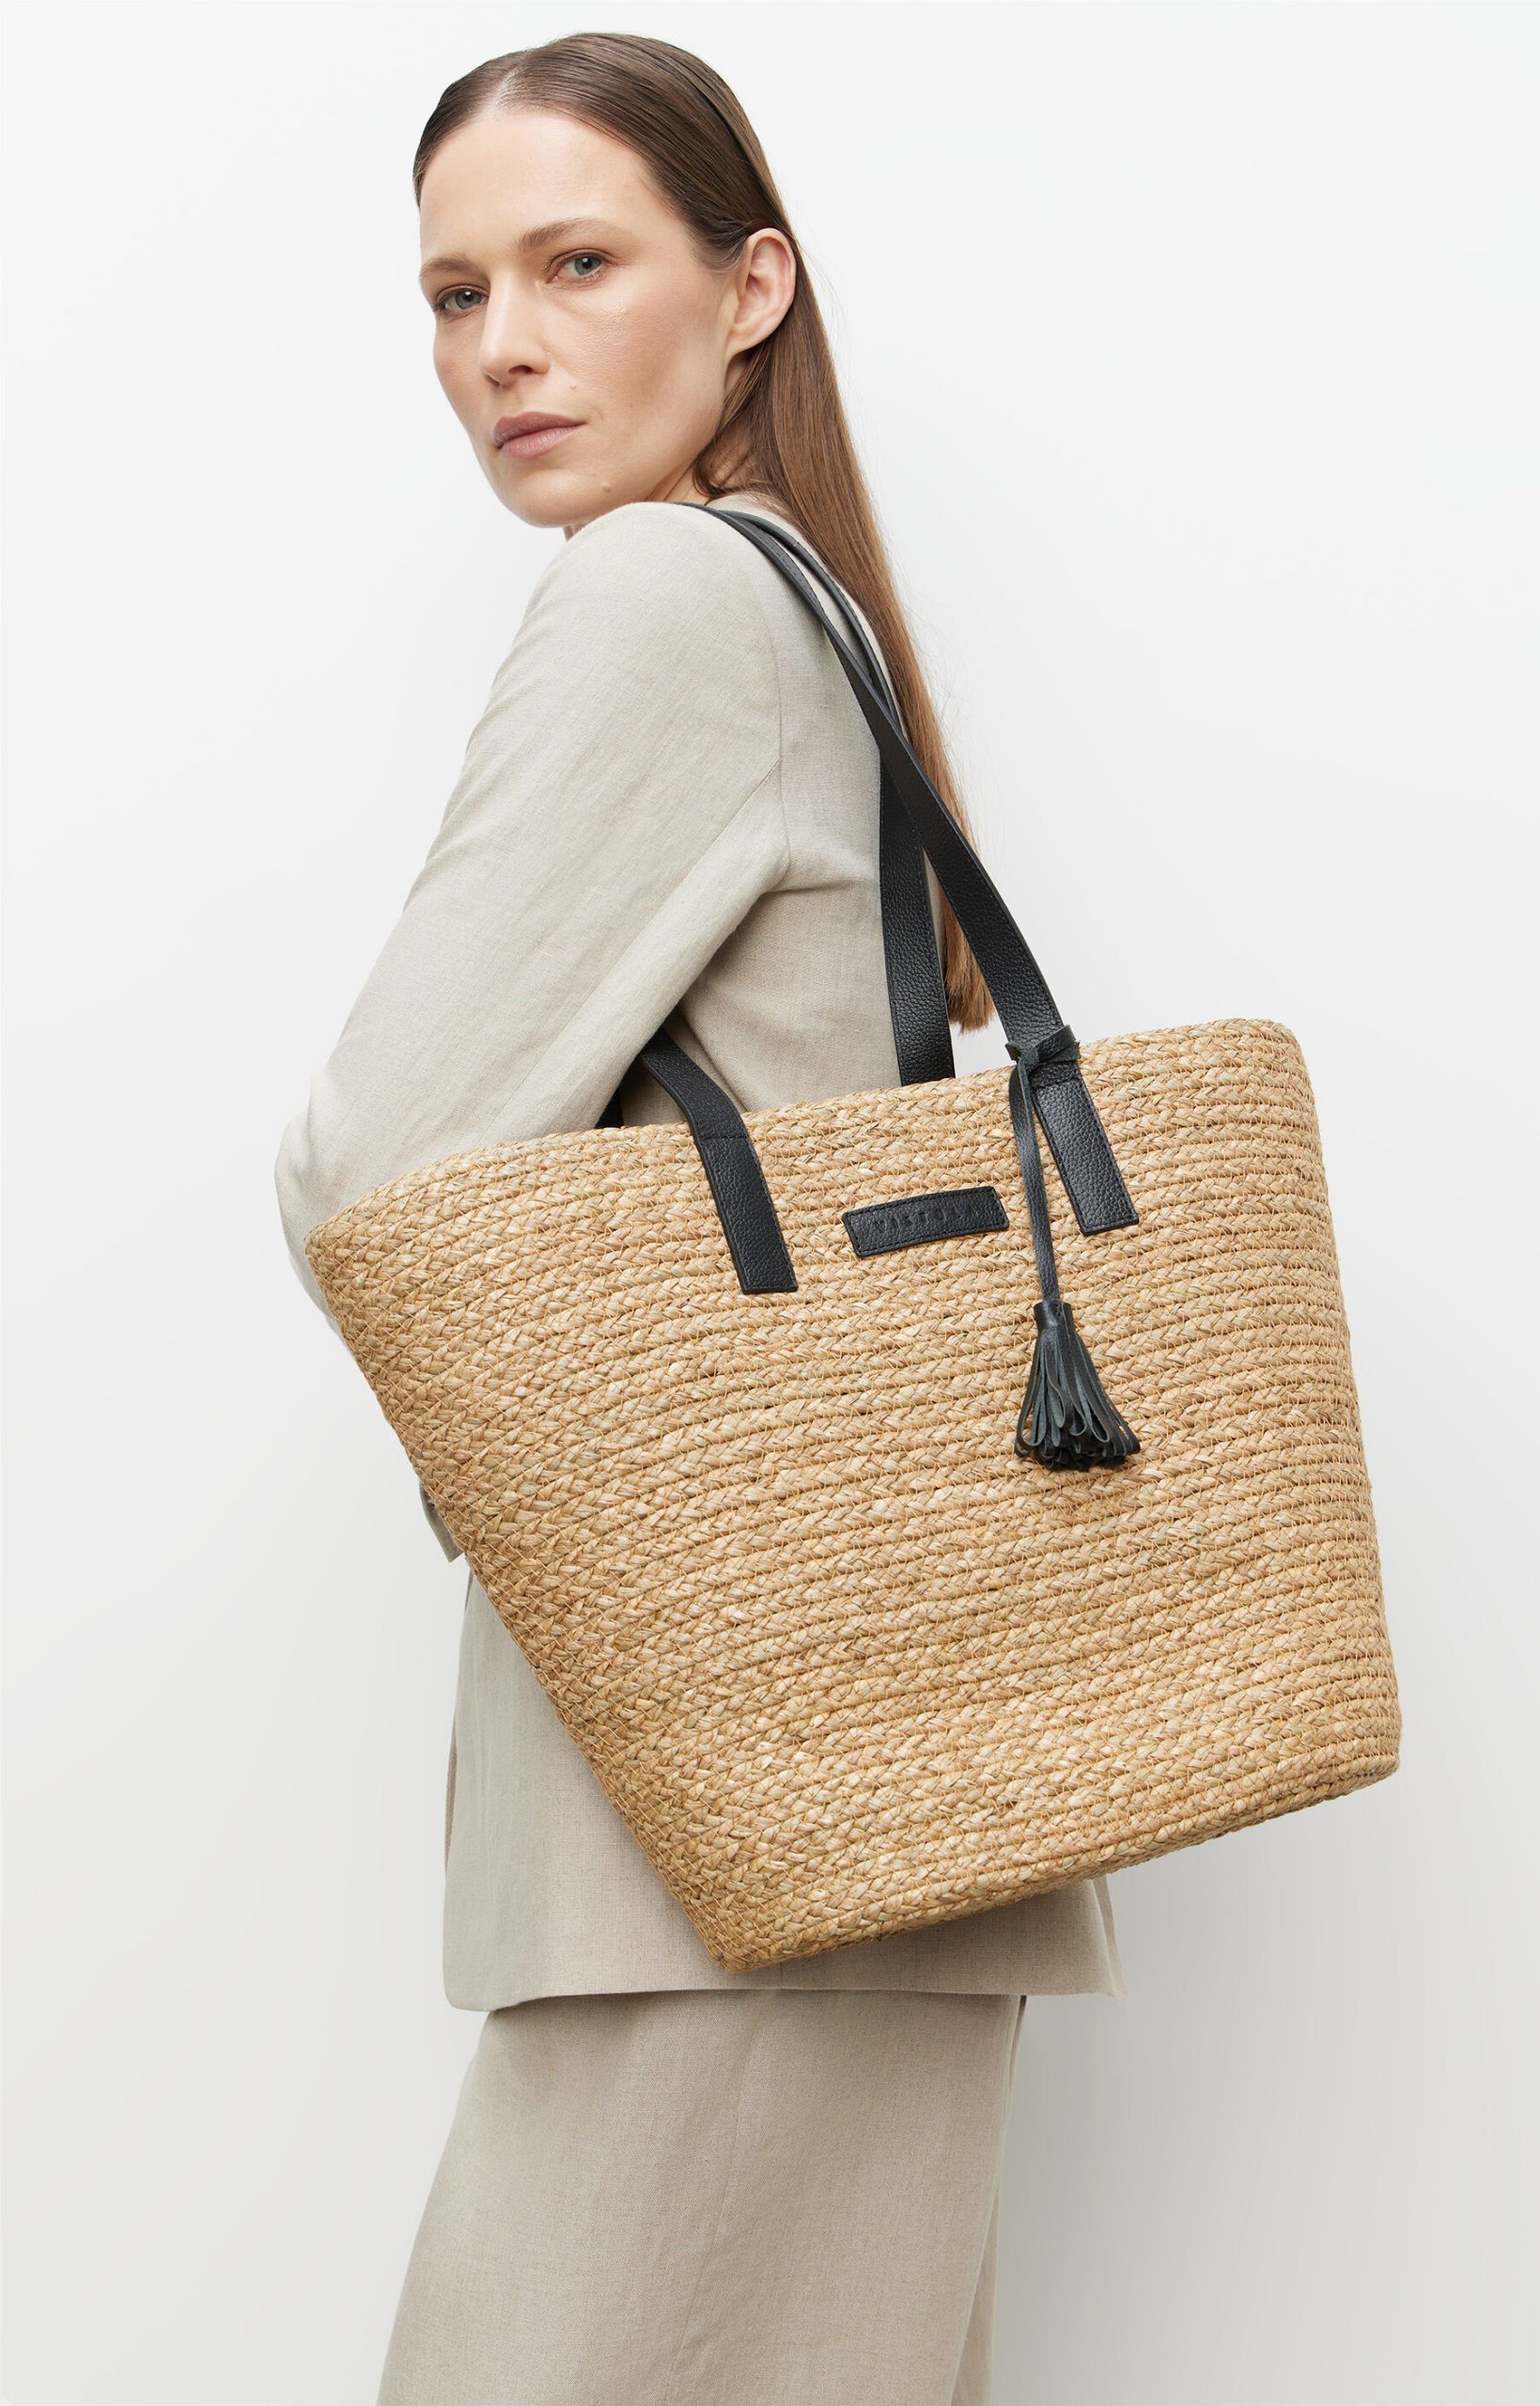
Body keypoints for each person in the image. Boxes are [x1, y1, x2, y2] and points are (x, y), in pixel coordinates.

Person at [273, 32, 1126, 2405]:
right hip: (886, 1771)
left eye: (576, 264)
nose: (503, 348)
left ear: (751, 289)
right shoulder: (803, 602)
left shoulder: (660, 590)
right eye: (454, 295)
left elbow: (371, 1165)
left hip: (713, 1803)